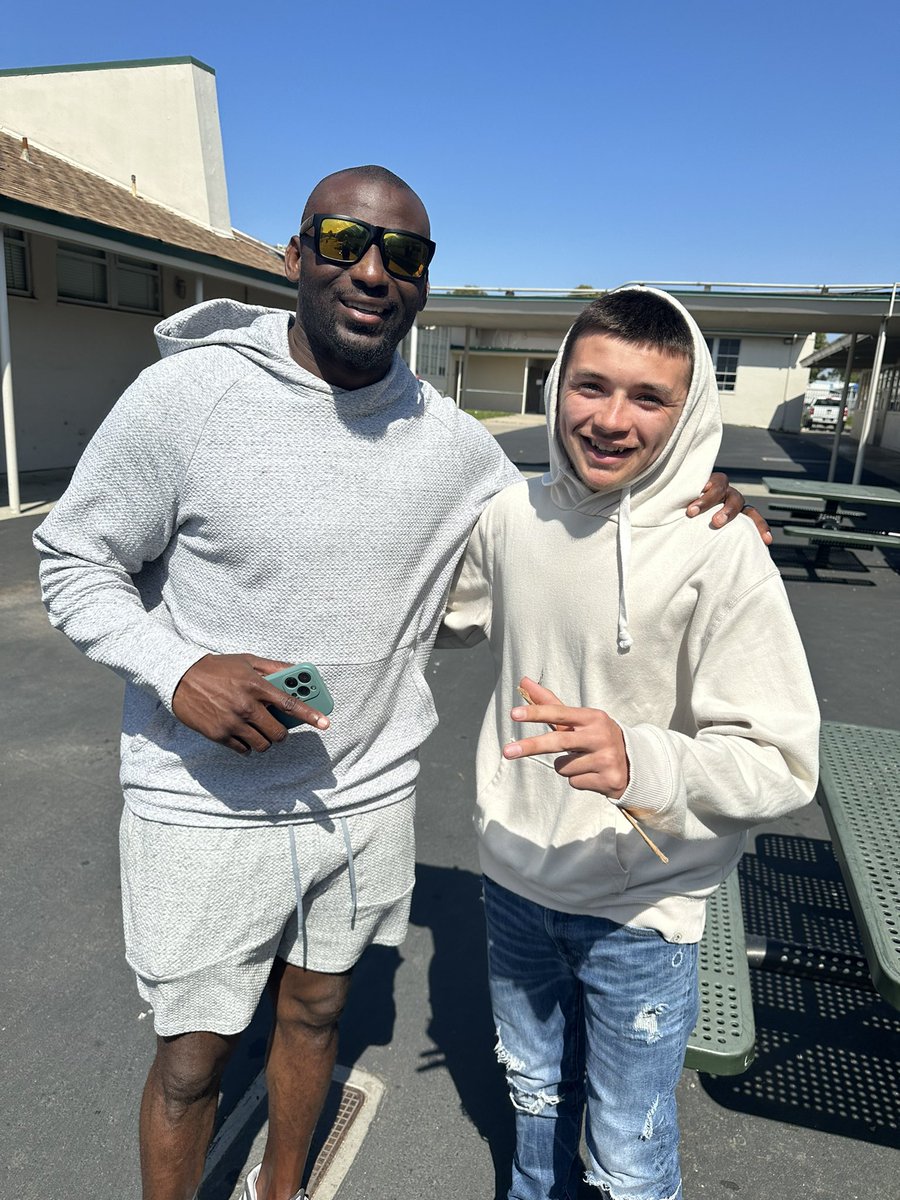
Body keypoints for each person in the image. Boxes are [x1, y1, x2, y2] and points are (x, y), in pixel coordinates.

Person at [34, 167, 759, 1200]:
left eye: (404, 255)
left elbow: (563, 518)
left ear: (422, 281)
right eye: (344, 242)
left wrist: (695, 493)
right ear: (295, 256)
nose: (372, 271)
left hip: (364, 797)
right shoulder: (187, 398)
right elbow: (72, 557)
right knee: (193, 1062)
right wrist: (175, 666)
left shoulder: (456, 448)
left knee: (318, 1013)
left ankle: (281, 1189)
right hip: (200, 804)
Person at [440, 287, 819, 1200]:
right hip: (516, 878)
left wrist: (643, 759)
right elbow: (428, 611)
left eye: (649, 398)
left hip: (644, 911)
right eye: (591, 386)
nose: (612, 421)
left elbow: (784, 763)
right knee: (534, 1100)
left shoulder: (720, 545)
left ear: (688, 412)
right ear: (556, 387)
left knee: (627, 1157)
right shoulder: (512, 517)